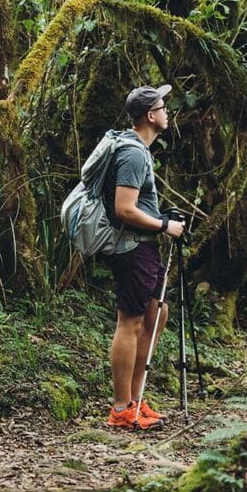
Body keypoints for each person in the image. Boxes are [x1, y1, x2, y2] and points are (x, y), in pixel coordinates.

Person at [102, 84, 185, 430]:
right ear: (150, 115)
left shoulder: (139, 150)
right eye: (163, 107)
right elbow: (124, 208)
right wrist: (164, 224)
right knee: (131, 322)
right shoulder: (134, 153)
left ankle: (136, 402)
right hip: (132, 247)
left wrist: (162, 218)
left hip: (144, 246)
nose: (167, 112)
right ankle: (121, 407)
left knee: (157, 312)